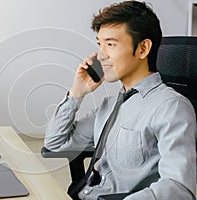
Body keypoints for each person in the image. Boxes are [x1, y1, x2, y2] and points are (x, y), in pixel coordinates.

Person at [44, 1, 196, 199]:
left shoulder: (171, 107)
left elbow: (179, 188)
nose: (100, 56)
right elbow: (55, 144)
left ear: (143, 49)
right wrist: (76, 94)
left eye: (110, 44)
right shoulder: (110, 105)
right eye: (100, 44)